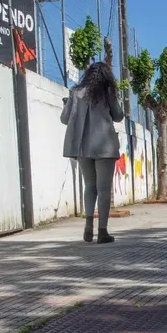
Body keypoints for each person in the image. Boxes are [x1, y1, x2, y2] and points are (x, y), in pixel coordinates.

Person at [61, 61, 125, 243]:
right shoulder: (107, 92)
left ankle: (88, 226)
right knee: (103, 188)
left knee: (90, 186)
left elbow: (65, 119)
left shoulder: (75, 92)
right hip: (105, 146)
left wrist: (67, 104)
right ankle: (102, 231)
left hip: (82, 146)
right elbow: (118, 116)